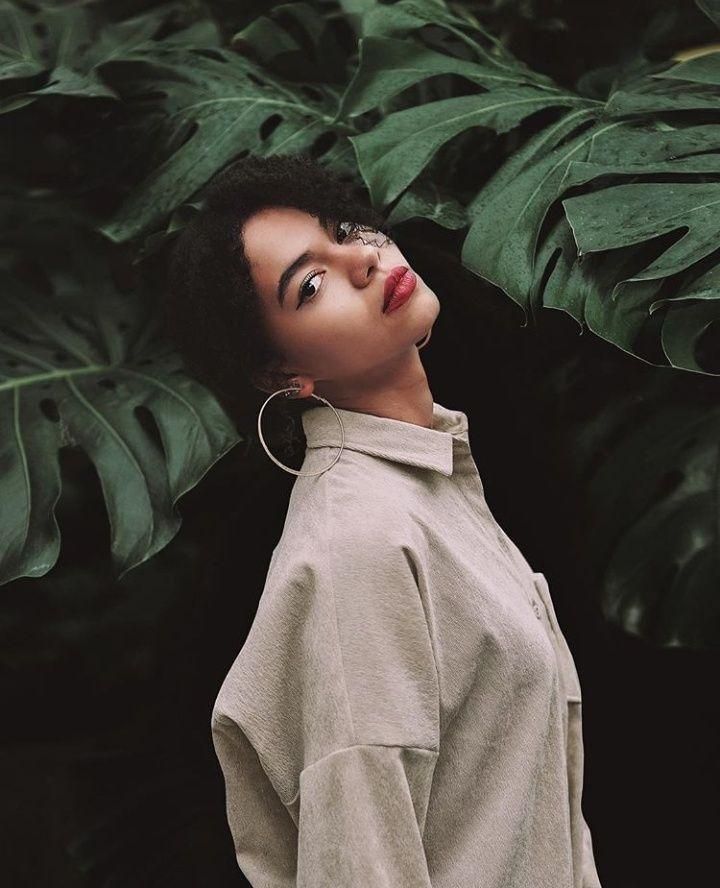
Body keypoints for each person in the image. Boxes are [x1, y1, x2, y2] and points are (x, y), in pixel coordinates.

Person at [163, 152, 603, 887]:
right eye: (311, 283)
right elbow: (361, 860)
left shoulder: (428, 486)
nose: (362, 260)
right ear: (283, 375)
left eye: (346, 230)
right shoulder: (358, 541)